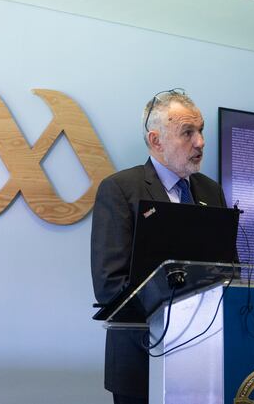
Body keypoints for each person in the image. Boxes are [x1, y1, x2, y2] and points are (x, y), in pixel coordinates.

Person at [90, 89, 227, 404]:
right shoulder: (120, 190)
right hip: (140, 359)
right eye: (188, 133)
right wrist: (181, 303)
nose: (201, 142)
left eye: (201, 130)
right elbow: (110, 285)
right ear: (156, 141)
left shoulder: (211, 191)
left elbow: (227, 272)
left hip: (204, 360)